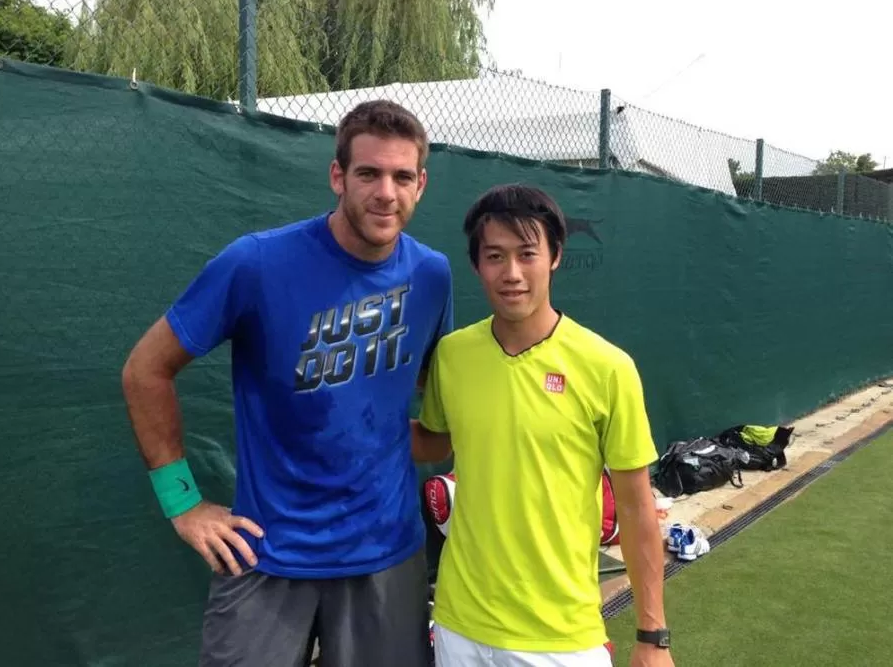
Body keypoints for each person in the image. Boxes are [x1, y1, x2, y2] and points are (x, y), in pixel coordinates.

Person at [121, 99, 454, 667]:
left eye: (402, 176)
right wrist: (183, 503)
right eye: (368, 173)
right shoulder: (255, 262)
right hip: (268, 554)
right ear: (337, 176)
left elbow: (430, 401)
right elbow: (145, 370)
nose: (386, 193)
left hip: (387, 555)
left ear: (421, 184)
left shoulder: (432, 275)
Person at [412, 183, 674, 667]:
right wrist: (349, 419)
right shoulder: (452, 356)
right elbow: (434, 442)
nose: (511, 273)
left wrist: (652, 636)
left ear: (554, 256)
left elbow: (638, 509)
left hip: (562, 638)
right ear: (476, 265)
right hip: (458, 624)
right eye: (494, 256)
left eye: (526, 254)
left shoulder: (607, 367)